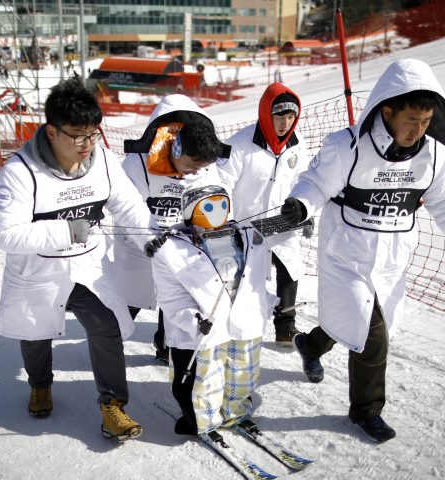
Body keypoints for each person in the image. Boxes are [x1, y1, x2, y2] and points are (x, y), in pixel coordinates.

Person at [281, 58, 445, 443]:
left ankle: (309, 345)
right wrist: (300, 204)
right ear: (387, 109)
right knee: (372, 333)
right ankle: (366, 411)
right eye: (411, 120)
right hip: (346, 253)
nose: (418, 130)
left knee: (355, 319)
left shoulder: (435, 156)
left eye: (426, 122)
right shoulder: (347, 146)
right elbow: (315, 183)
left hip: (393, 256)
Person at [0, 76, 158, 441]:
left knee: (107, 326)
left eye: (92, 134)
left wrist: (152, 238)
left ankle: (112, 406)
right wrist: (67, 230)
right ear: (51, 132)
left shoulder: (101, 160)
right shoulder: (20, 174)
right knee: (35, 331)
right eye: (77, 135)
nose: (87, 144)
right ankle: (40, 385)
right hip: (40, 271)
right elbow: (6, 233)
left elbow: (129, 205)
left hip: (87, 268)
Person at [145, 185, 278, 436]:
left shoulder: (248, 234)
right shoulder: (172, 249)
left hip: (244, 322)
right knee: (203, 382)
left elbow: (283, 224)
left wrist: (298, 213)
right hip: (204, 329)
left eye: (222, 205)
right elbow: (171, 298)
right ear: (190, 212)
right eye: (208, 207)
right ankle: (201, 422)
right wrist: (193, 321)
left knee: (242, 375)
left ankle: (235, 410)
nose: (217, 213)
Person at [113, 94, 230, 365]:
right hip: (140, 241)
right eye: (189, 166)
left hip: (180, 242)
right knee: (130, 296)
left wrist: (208, 229)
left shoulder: (204, 163)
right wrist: (149, 235)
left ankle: (166, 343)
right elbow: (125, 206)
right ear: (176, 150)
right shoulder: (137, 162)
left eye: (198, 169)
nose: (192, 173)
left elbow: (212, 199)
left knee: (177, 293)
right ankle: (110, 339)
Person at [217, 82, 310, 345]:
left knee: (290, 269)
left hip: (283, 221)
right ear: (266, 113)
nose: (285, 122)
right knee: (246, 278)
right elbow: (222, 183)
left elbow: (306, 181)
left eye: (291, 116)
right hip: (246, 226)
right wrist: (225, 221)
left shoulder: (297, 145)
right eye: (279, 115)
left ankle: (285, 327)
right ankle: (237, 325)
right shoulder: (240, 145)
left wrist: (307, 211)